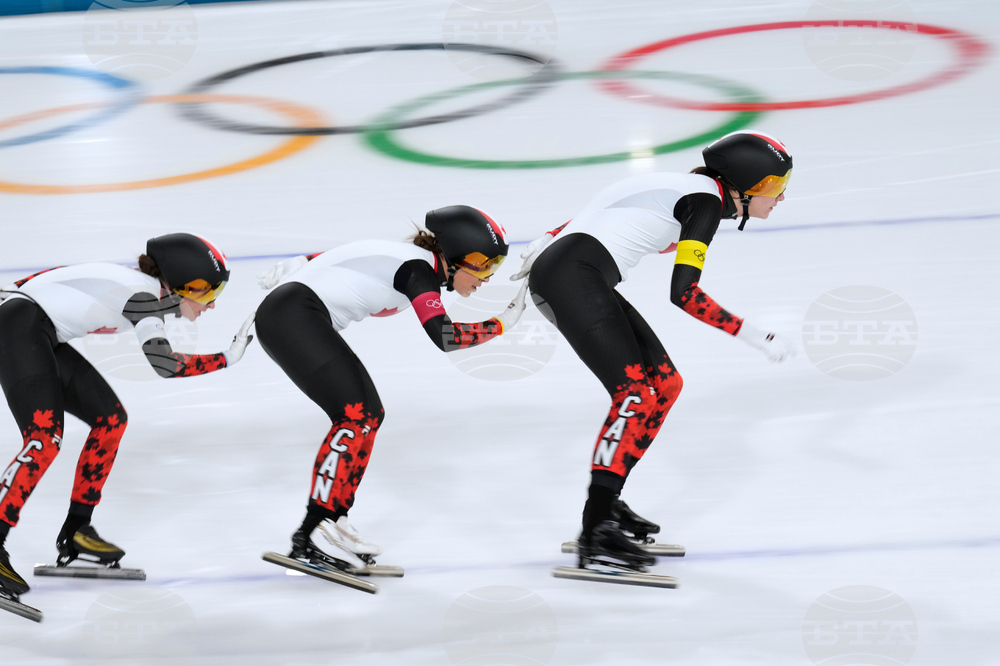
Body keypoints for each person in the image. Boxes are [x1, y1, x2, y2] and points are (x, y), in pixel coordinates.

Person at [512, 131, 798, 571]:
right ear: (744, 185)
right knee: (634, 395)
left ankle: (607, 503)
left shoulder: (691, 189)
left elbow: (609, 201)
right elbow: (684, 293)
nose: (780, 197)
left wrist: (550, 237)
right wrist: (753, 334)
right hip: (570, 277)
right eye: (774, 186)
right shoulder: (705, 201)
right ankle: (596, 529)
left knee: (664, 385)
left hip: (573, 273)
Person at [254, 205, 527, 571]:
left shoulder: (412, 259)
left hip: (292, 315)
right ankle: (314, 528)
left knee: (368, 414)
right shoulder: (419, 269)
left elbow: (356, 253)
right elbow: (445, 336)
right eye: (482, 264)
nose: (487, 277)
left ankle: (332, 519)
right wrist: (502, 323)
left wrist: (303, 261)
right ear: (455, 254)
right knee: (356, 414)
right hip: (291, 317)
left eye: (494, 266)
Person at [0, 233, 254, 601]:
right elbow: (165, 364)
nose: (211, 304)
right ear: (180, 283)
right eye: (206, 292)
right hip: (18, 326)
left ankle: (77, 530)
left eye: (216, 292)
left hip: (35, 327)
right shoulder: (144, 296)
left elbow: (43, 280)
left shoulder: (144, 289)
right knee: (44, 438)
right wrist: (228, 357)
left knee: (111, 420)